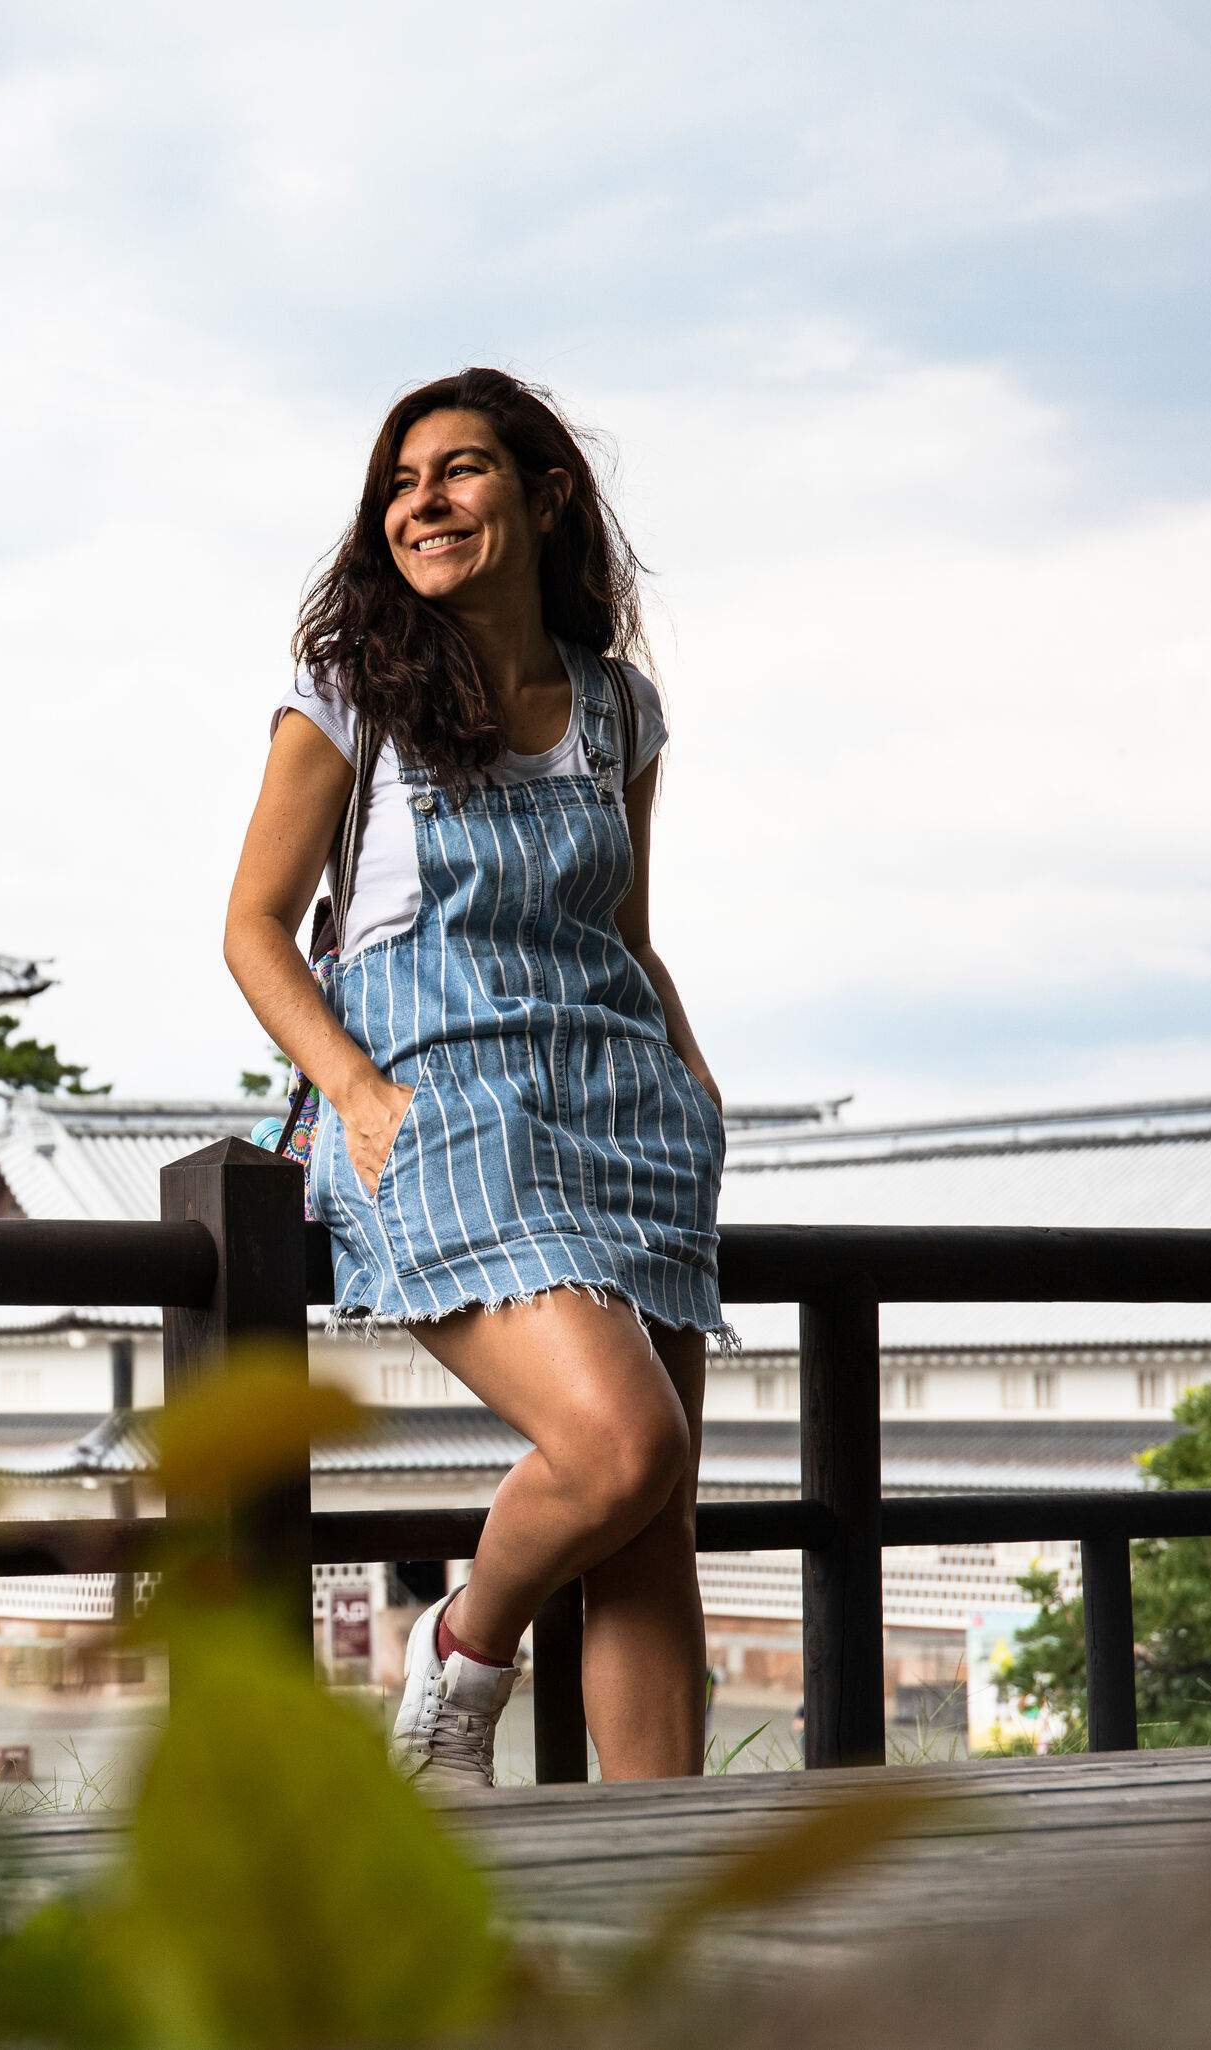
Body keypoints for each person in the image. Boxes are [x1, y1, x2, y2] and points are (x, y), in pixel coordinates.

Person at [223, 367, 731, 1792]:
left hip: (626, 1108)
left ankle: (663, 1875)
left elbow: (623, 933)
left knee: (654, 1522)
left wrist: (692, 1084)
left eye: (457, 471)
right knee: (623, 1443)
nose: (422, 503)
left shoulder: (619, 708)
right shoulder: (345, 693)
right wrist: (363, 1098)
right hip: (443, 1108)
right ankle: (465, 1645)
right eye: (400, 482)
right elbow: (253, 927)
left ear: (544, 491)